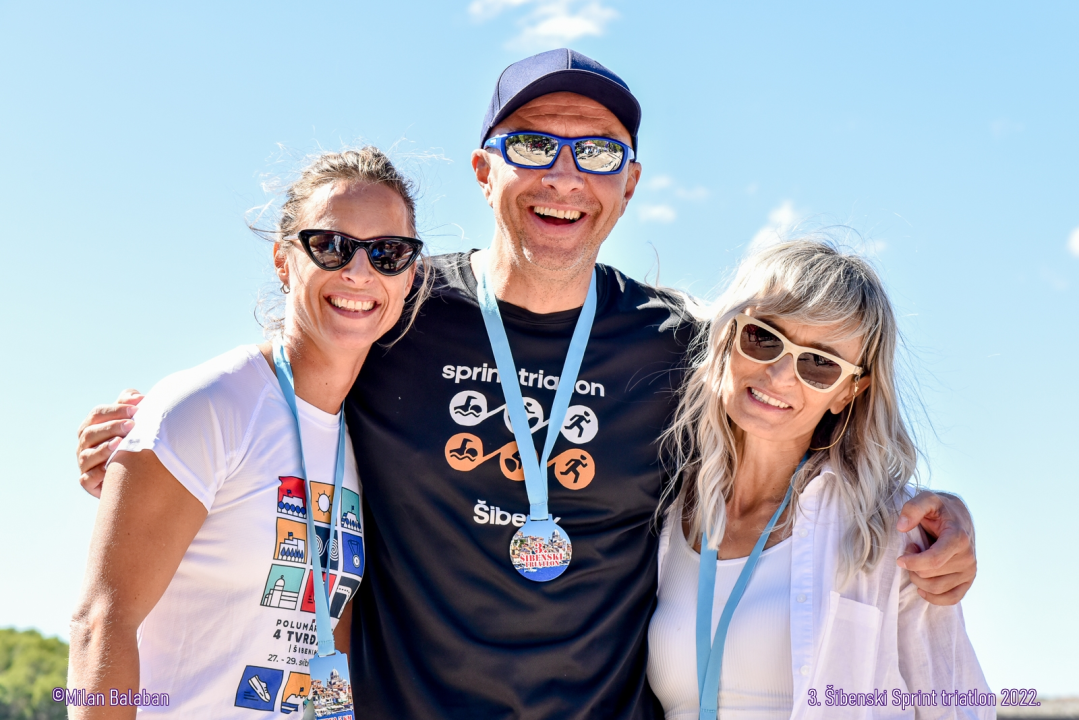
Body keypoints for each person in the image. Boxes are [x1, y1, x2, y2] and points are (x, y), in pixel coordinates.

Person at [74, 50, 979, 719]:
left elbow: (800, 423)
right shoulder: (397, 305)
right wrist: (152, 444)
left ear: (628, 187)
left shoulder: (680, 344)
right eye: (532, 144)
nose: (562, 175)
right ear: (483, 169)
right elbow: (289, 379)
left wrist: (936, 511)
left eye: (595, 155)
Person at [67, 148, 427, 718]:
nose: (360, 272)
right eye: (331, 246)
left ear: (409, 275)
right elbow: (101, 622)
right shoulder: (209, 406)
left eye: (387, 252)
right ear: (284, 260)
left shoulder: (374, 436)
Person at [647, 240, 991, 719]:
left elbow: (954, 706)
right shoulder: (660, 507)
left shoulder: (893, 535)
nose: (781, 374)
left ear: (849, 392)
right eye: (764, 337)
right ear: (727, 335)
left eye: (820, 362)